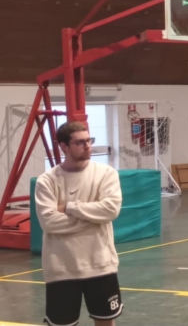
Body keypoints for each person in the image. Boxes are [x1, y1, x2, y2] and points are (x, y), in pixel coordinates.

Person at [34, 121, 123, 326]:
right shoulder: (47, 181)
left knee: (105, 321)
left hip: (101, 265)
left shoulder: (106, 174)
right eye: (80, 142)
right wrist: (94, 218)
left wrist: (69, 207)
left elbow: (111, 210)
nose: (88, 146)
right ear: (64, 146)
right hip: (61, 269)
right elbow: (49, 222)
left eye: (89, 140)